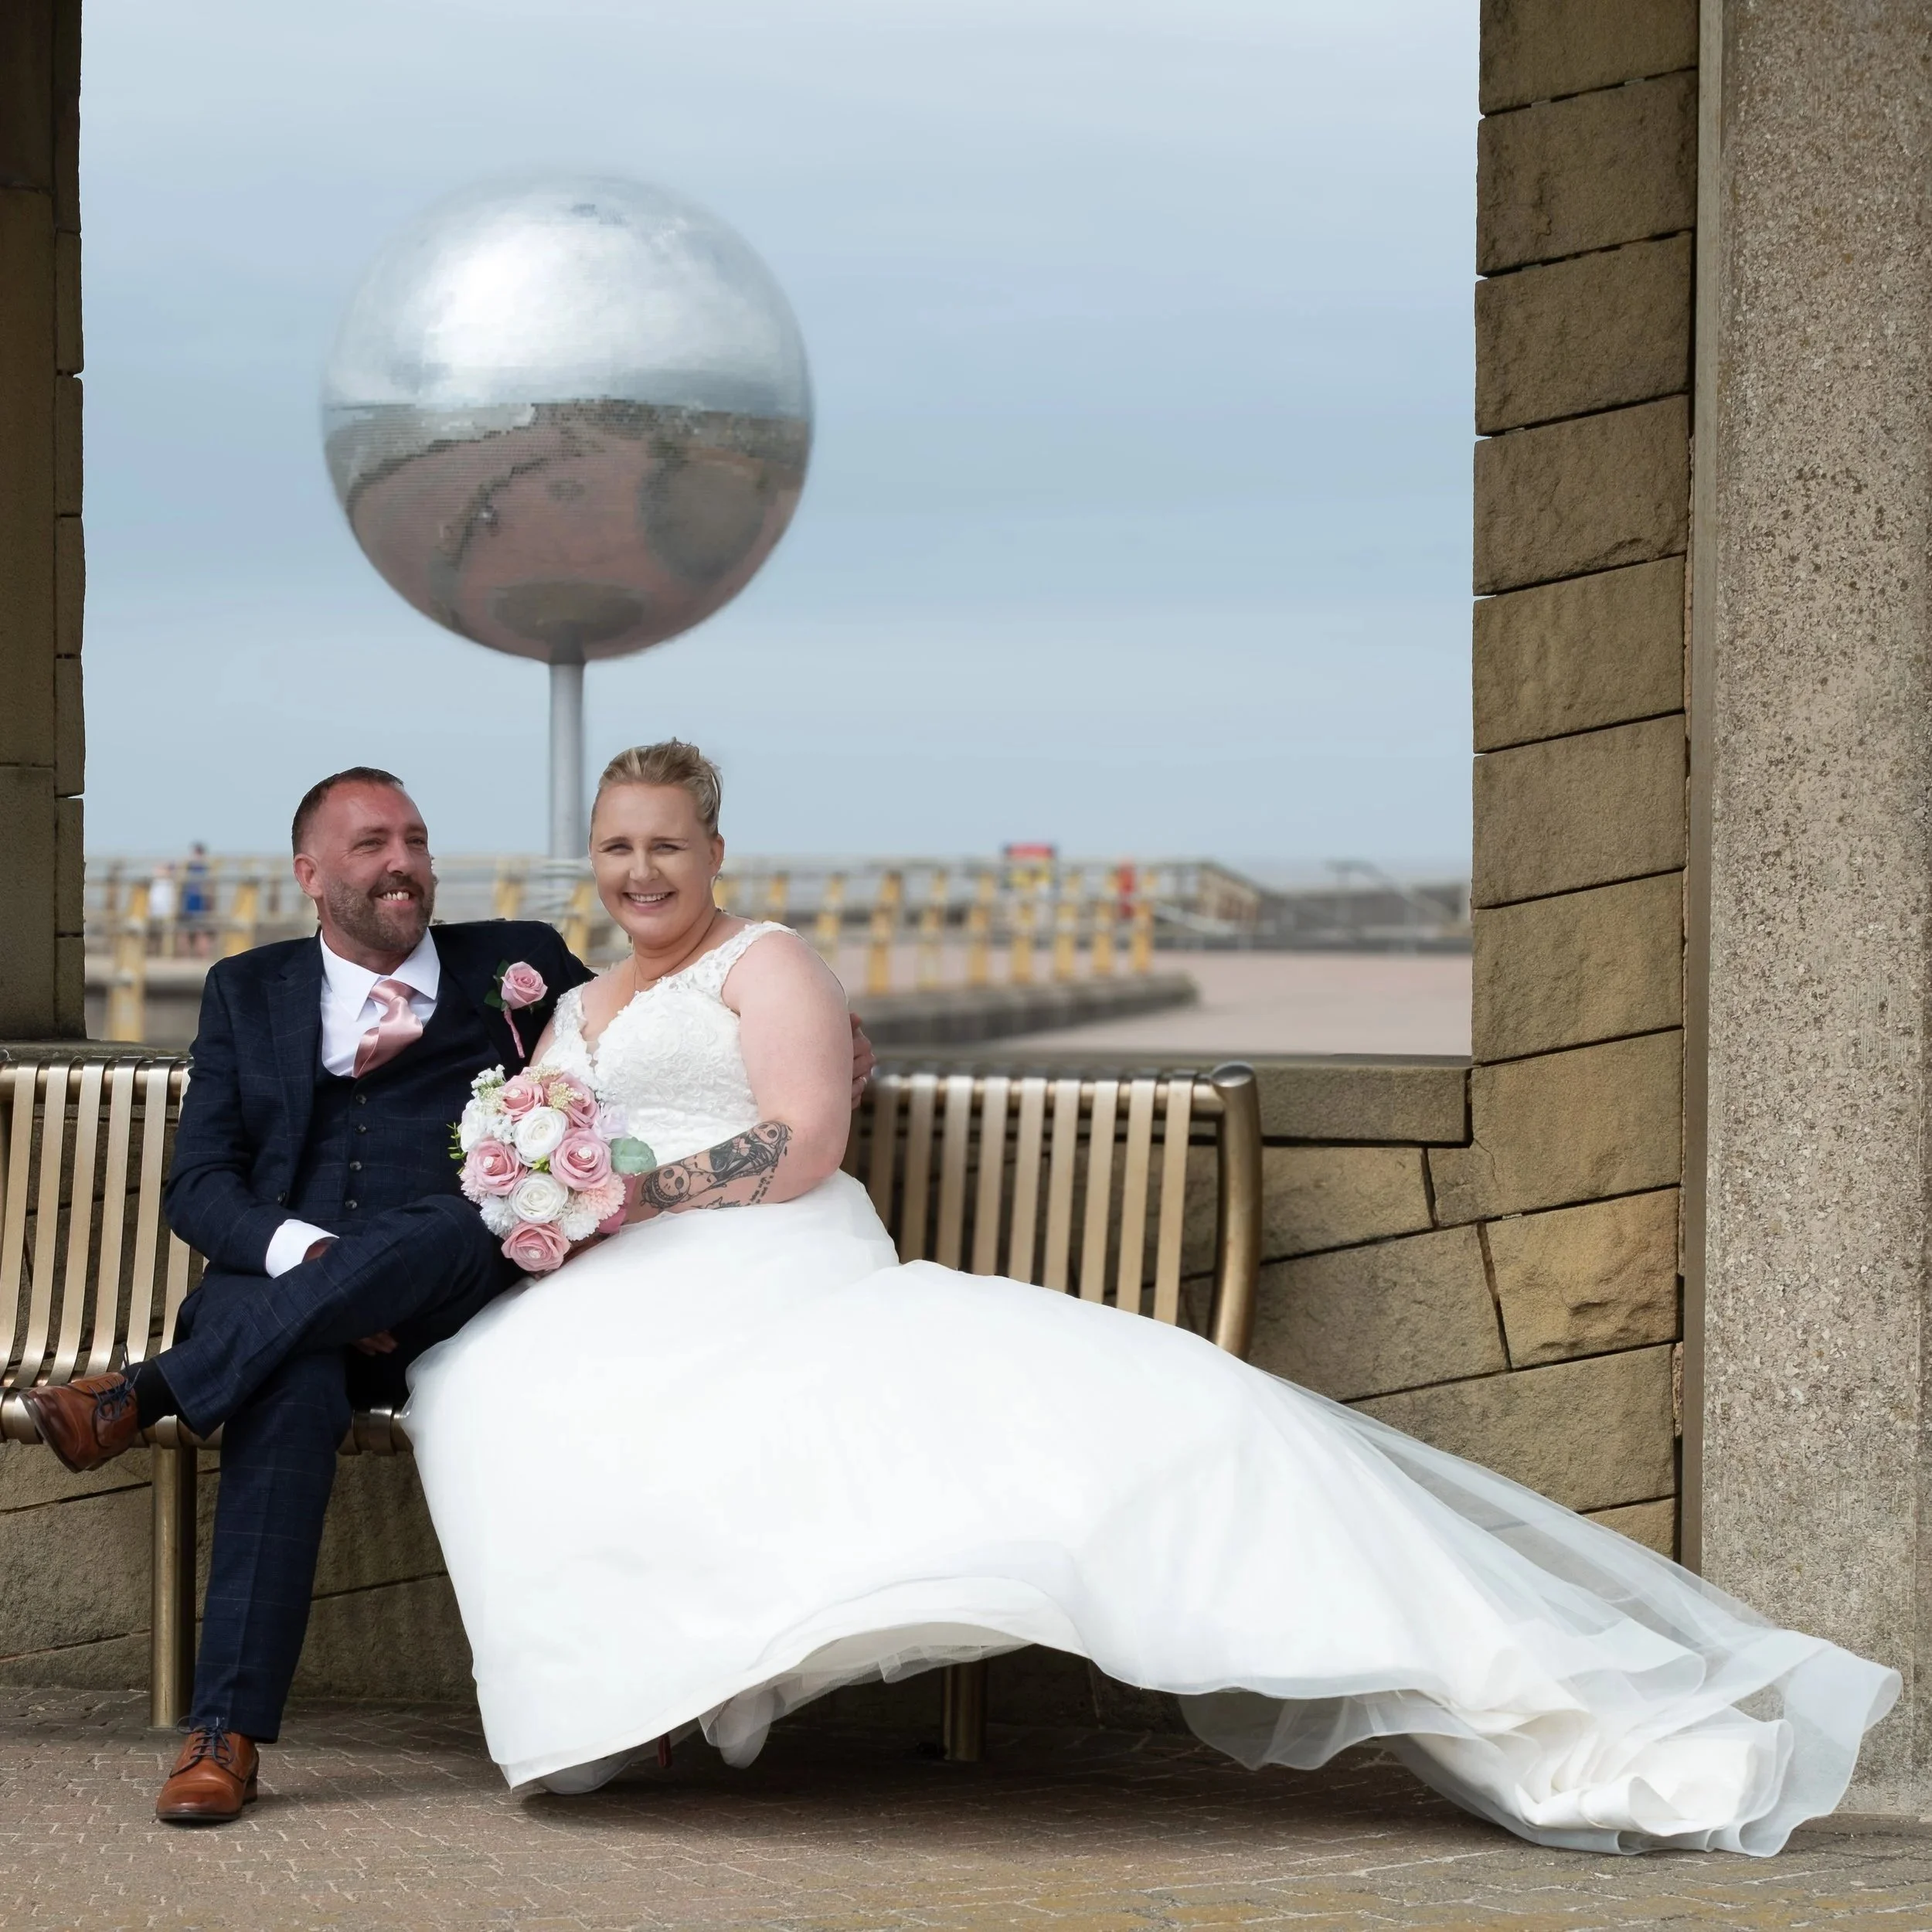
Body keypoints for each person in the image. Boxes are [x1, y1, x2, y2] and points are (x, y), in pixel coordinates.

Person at [406, 740, 1896, 1859]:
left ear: (715, 851)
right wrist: (543, 1185)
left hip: (759, 1257)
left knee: (1100, 1436)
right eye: (616, 849)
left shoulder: (766, 963)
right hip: (614, 1281)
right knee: (483, 1392)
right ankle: (628, 1701)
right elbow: (538, 1140)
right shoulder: (577, 1000)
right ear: (589, 862)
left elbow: (802, 1146)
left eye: (667, 844)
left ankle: (1539, 1702)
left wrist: (632, 1194)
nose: (641, 872)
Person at [19, 764, 879, 1826]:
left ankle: (142, 1393)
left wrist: (836, 1052)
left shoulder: (516, 965)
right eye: (373, 845)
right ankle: (223, 1738)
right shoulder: (249, 990)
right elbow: (200, 1186)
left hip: (446, 1291)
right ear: (310, 873)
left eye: (416, 842)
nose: (403, 865)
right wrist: (315, 1265)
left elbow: (668, 1020)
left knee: (449, 1220)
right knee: (290, 1384)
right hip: (286, 1304)